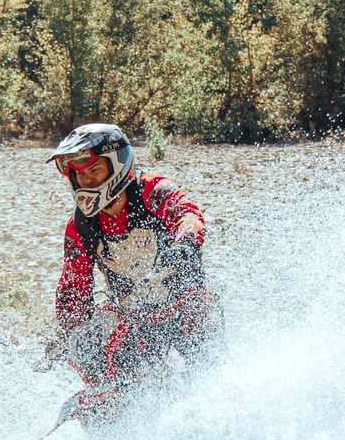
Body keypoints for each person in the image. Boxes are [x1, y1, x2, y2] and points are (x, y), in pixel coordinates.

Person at [47, 122, 222, 388]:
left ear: (117, 163)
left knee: (211, 372)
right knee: (89, 347)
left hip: (188, 305)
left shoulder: (152, 190)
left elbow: (187, 214)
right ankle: (117, 395)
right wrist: (68, 334)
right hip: (136, 319)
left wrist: (184, 244)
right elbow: (74, 288)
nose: (87, 180)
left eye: (94, 169)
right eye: (80, 175)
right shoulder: (80, 226)